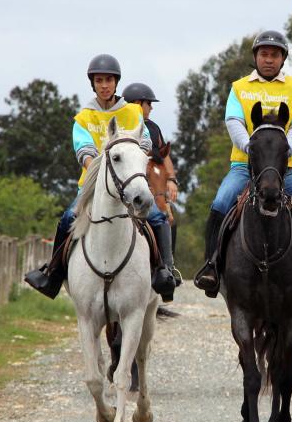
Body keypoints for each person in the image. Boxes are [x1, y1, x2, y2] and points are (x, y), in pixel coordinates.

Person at [193, 30, 292, 298]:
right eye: (264, 54)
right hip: (244, 165)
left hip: (286, 167)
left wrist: (285, 151)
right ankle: (211, 266)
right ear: (255, 57)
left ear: (283, 59)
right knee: (221, 201)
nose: (269, 59)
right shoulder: (240, 88)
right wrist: (251, 149)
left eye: (274, 54)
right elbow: (233, 121)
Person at [24, 55, 177, 301]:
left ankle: (165, 271)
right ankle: (52, 274)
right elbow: (84, 152)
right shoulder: (84, 117)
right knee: (67, 218)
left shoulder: (132, 112)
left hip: (128, 182)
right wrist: (100, 171)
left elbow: (145, 142)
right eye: (99, 81)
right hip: (94, 185)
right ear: (92, 84)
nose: (104, 85)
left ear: (116, 83)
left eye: (108, 80)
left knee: (158, 217)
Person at [122, 82, 181, 285]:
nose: (152, 108)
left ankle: (167, 268)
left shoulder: (153, 128)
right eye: (149, 103)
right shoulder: (121, 123)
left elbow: (164, 156)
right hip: (127, 183)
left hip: (152, 183)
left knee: (167, 218)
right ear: (138, 104)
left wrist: (171, 179)